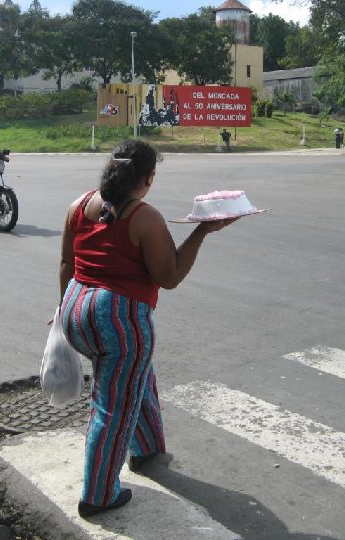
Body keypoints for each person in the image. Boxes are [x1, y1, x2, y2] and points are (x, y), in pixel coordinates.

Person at [58, 140, 237, 518]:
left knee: (135, 375)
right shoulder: (143, 216)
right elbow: (169, 276)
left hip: (77, 309)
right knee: (112, 406)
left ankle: (148, 447)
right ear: (148, 178)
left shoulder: (79, 205)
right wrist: (202, 232)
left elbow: (65, 265)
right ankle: (99, 494)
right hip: (117, 319)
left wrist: (62, 314)